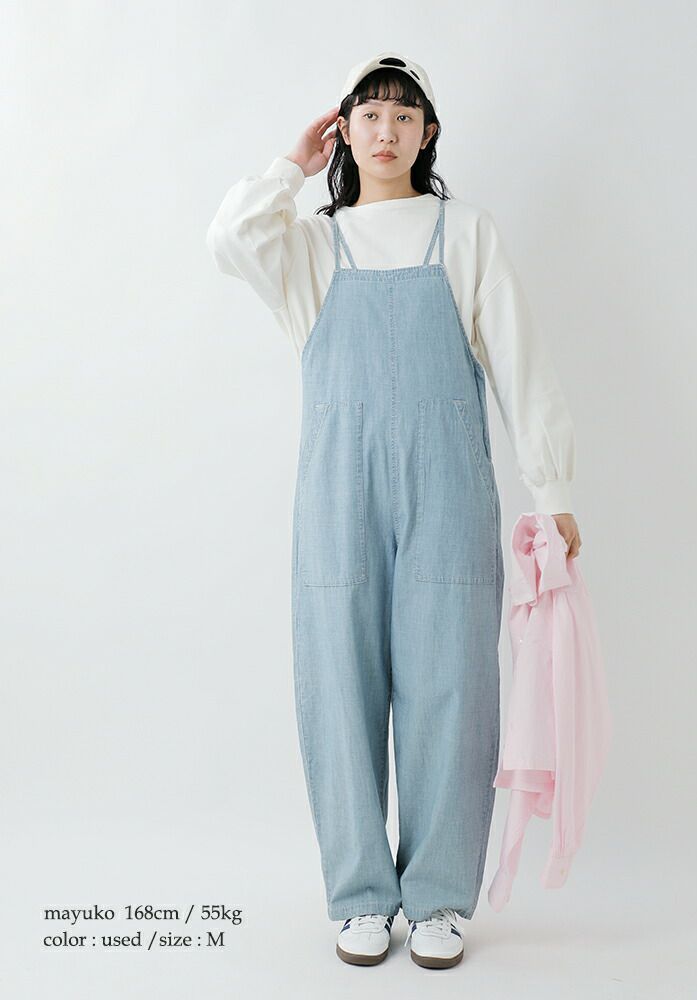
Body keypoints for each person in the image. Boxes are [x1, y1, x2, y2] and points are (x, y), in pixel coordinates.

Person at [206, 52, 581, 970]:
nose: (386, 131)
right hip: (336, 501)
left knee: (451, 685)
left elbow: (521, 361)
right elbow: (229, 236)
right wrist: (292, 167)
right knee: (337, 686)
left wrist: (552, 489)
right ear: (345, 130)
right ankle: (361, 897)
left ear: (428, 134)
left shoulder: (466, 234)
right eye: (369, 115)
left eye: (404, 116)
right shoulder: (310, 247)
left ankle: (439, 896)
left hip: (448, 494)